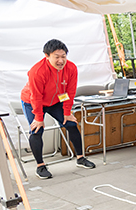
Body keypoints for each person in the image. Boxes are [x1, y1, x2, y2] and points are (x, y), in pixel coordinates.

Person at [20, 39, 95, 179]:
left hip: (55, 101)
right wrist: (38, 117)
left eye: (63, 56)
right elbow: (35, 96)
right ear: (47, 56)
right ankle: (40, 166)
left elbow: (70, 92)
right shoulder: (37, 71)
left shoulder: (71, 68)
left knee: (71, 124)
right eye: (57, 57)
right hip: (32, 102)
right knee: (37, 129)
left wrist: (67, 112)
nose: (61, 60)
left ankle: (81, 158)